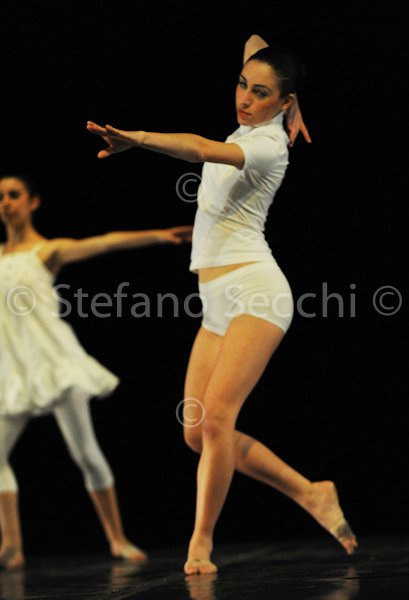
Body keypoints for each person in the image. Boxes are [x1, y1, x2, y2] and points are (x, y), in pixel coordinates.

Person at [86, 34, 357, 574]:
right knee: (196, 430)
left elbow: (200, 149)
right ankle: (311, 492)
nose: (245, 98)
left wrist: (137, 139)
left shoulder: (268, 146)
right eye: (242, 85)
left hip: (256, 290)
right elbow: (255, 42)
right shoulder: (263, 117)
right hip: (216, 302)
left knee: (217, 420)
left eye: (261, 93)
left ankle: (201, 543)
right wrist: (293, 101)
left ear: (280, 101)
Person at [0, 173, 192, 570]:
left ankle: (117, 539)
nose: (6, 202)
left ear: (32, 202)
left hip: (56, 363)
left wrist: (157, 235)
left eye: (14, 195)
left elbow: (105, 242)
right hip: (13, 370)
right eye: (0, 196)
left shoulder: (47, 251)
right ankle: (12, 546)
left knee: (86, 454)